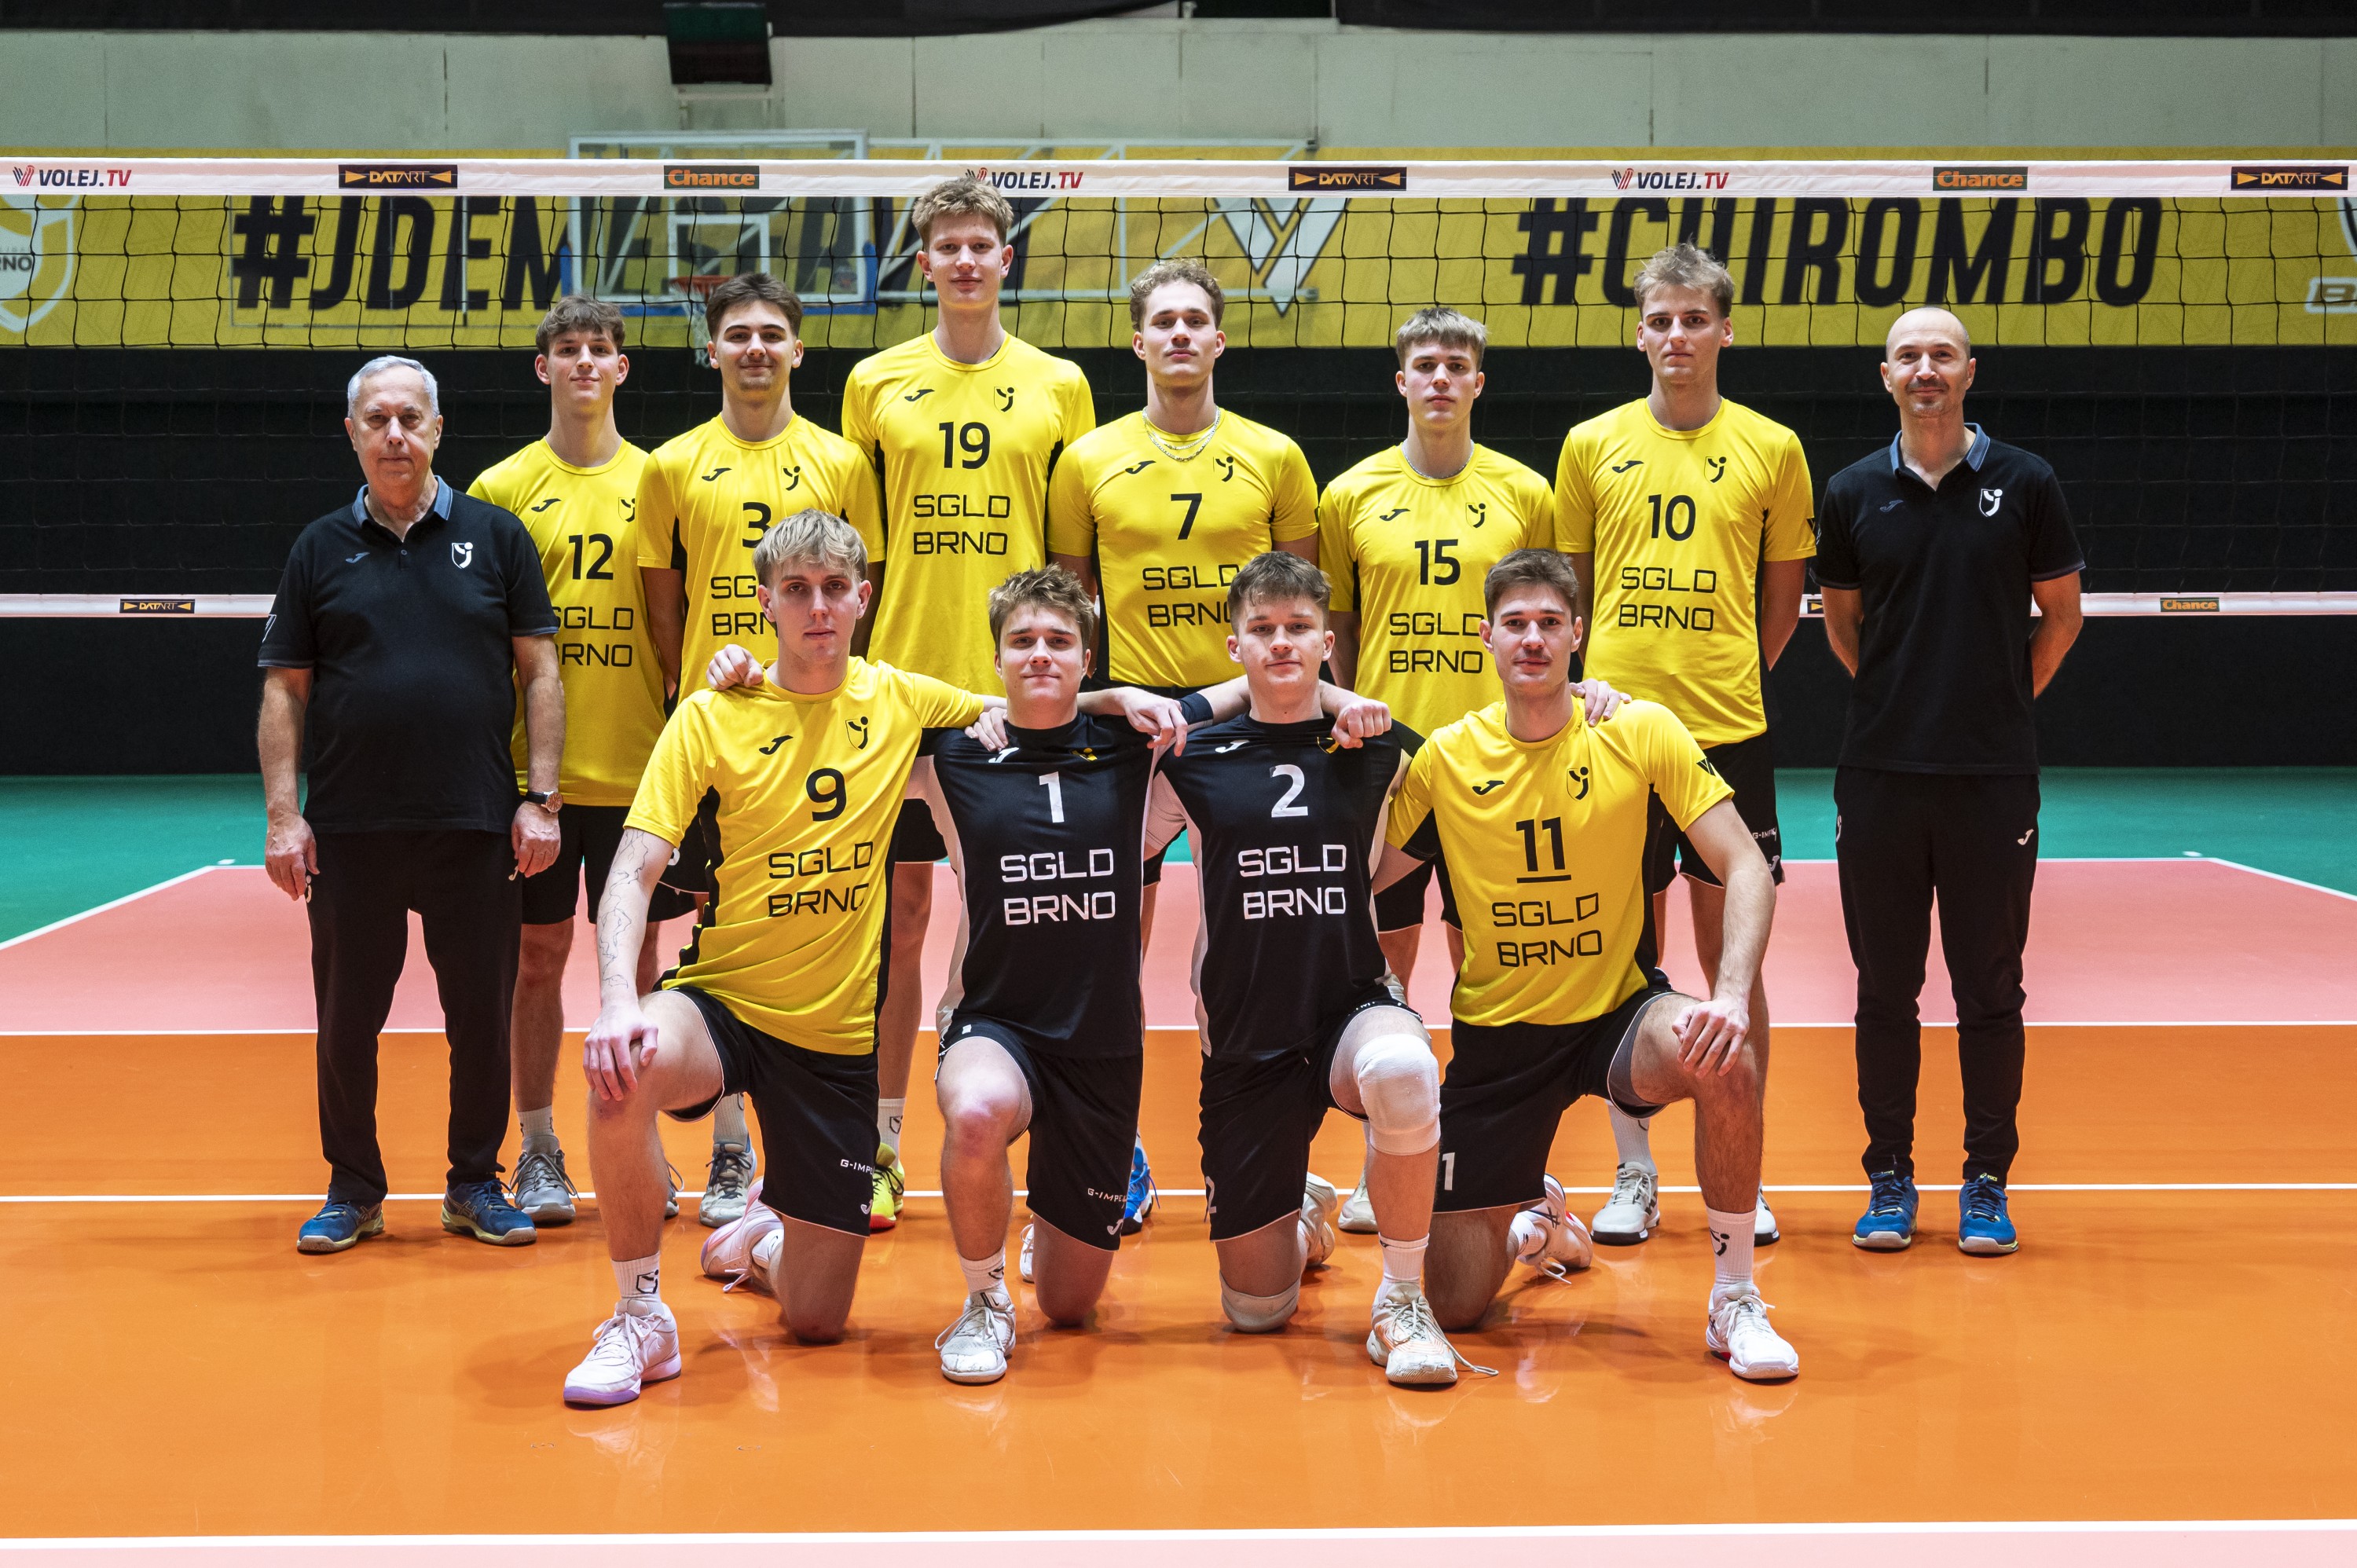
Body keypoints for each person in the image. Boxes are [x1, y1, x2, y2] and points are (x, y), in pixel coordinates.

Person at [559, 511, 1183, 1407]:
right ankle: (639, 1314)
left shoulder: (900, 700)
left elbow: (1027, 698)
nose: (817, 607)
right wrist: (618, 998)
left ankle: (767, 1243)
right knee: (623, 1068)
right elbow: (633, 867)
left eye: (832, 589)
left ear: (863, 598)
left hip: (834, 1042)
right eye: (797, 590)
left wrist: (1111, 699)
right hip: (722, 999)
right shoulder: (710, 714)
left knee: (818, 1319)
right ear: (766, 603)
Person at [1373, 549, 1800, 1382]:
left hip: (1617, 1017)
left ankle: (1736, 1298)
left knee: (1725, 1055)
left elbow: (1745, 864)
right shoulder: (1445, 759)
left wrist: (1731, 996)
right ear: (1487, 637)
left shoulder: (1638, 730)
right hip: (1498, 1042)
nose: (1532, 639)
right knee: (1453, 1303)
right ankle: (1540, 1224)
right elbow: (1363, 881)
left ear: (1579, 633)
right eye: (1515, 624)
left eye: (1549, 623)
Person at [841, 175, 1098, 1233]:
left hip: (1016, 704)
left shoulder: (1060, 385)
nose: (962, 260)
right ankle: (882, 1142)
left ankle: (1037, 1135)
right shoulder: (873, 383)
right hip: (907, 692)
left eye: (979, 244)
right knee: (896, 923)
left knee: (1019, 923)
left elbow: (1072, 566)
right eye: (945, 245)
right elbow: (859, 560)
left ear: (1004, 258)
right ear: (924, 264)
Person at [261, 354, 560, 1255]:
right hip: (352, 827)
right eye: (377, 419)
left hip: (475, 821)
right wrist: (284, 814)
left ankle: (474, 1183)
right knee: (347, 1022)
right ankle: (353, 1188)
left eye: (411, 418)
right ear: (352, 433)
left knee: (481, 1019)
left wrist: (541, 800)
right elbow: (284, 689)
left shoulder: (497, 537)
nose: (395, 434)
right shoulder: (318, 547)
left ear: (437, 429)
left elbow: (541, 672)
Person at [1149, 553, 1465, 1385]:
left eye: (1299, 628)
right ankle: (1302, 1217)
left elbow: (1486, 764)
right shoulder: (1191, 754)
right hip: (1244, 1036)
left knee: (1403, 1067)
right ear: (1235, 647)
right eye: (1262, 630)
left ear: (1329, 642)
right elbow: (1117, 812)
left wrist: (1593, 696)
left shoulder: (1380, 748)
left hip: (1347, 1006)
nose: (1281, 643)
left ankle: (1403, 1301)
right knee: (1256, 1312)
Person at [1556, 243, 1812, 1250]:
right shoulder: (1591, 444)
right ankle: (1635, 1171)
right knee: (1628, 957)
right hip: (1614, 733)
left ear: (1725, 331)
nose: (1677, 336)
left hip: (1727, 731)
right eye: (1660, 320)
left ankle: (1743, 1163)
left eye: (1694, 319)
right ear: (1639, 333)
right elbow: (1572, 592)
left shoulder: (1773, 447)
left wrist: (1727, 675)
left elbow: (1782, 600)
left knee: (1732, 958)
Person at [1816, 306, 2084, 1256]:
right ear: (1884, 375)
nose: (1925, 368)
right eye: (1908, 356)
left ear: (1970, 371)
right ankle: (1890, 1177)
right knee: (1884, 990)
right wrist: (1903, 700)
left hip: (1991, 778)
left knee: (1991, 991)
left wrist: (1998, 699)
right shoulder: (1851, 490)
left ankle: (1985, 1180)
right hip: (1881, 776)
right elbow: (1842, 624)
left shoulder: (2027, 481)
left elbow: (2062, 616)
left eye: (1941, 354)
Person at [636, 271, 881, 1227]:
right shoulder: (671, 465)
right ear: (712, 350)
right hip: (722, 737)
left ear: (797, 350)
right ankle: (722, 1146)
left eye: (772, 333)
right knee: (710, 932)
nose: (755, 348)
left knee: (788, 927)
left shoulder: (840, 460)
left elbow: (858, 594)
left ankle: (776, 1149)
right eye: (737, 333)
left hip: (814, 733)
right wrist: (710, 689)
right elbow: (665, 610)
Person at [1317, 305, 1557, 1235]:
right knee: (1379, 969)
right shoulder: (1351, 494)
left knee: (1489, 967)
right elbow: (1340, 629)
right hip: (1390, 765)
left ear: (1479, 382)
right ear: (1402, 380)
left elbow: (1539, 619)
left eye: (1458, 365)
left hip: (1494, 759)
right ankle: (1386, 1159)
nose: (1442, 379)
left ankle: (1492, 1156)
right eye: (1426, 364)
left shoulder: (1525, 492)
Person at [466, 295, 695, 1227]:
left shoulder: (660, 477)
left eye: (601, 348)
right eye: (568, 349)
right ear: (544, 367)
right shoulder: (503, 487)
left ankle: (637, 1143)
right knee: (537, 958)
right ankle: (539, 1147)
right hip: (542, 778)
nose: (585, 362)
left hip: (643, 768)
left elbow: (678, 619)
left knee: (638, 961)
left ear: (622, 368)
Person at [1047, 258, 1319, 942]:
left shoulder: (1277, 455)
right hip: (1133, 715)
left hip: (1246, 713)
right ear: (1138, 342)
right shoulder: (1086, 460)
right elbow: (1072, 602)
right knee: (1113, 932)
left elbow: (1303, 604)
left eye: (1195, 321)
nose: (1179, 333)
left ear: (1217, 341)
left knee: (1246, 928)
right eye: (1163, 321)